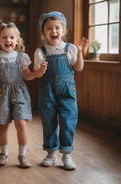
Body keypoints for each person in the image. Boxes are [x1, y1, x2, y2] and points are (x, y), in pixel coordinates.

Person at [34, 11, 89, 170]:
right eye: (49, 28)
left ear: (63, 31)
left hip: (67, 91)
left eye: (57, 28)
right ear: (43, 33)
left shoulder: (70, 48)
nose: (54, 31)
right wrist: (41, 70)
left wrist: (80, 52)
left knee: (68, 121)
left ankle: (66, 154)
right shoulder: (40, 52)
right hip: (47, 92)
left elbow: (78, 68)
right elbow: (37, 74)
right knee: (49, 122)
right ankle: (51, 153)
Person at [0, 22, 36, 168]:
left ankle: (23, 155)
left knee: (21, 123)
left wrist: (37, 73)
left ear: (17, 40)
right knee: (3, 125)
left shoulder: (22, 57)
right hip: (1, 94)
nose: (8, 40)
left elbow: (27, 75)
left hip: (19, 93)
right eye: (4, 37)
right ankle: (3, 154)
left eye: (11, 37)